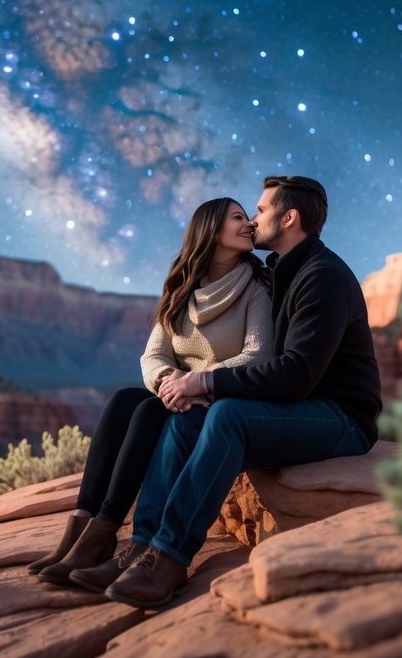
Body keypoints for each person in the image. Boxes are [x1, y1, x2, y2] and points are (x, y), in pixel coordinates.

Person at [96, 175, 382, 608]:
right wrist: (191, 390)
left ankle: (169, 560)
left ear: (289, 218)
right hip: (300, 409)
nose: (253, 219)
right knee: (188, 417)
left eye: (262, 210)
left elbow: (295, 373)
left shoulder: (323, 276)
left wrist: (203, 380)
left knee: (227, 415)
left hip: (340, 419)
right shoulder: (280, 271)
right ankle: (141, 547)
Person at [28, 197, 273, 587]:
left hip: (219, 395)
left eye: (248, 218)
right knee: (125, 400)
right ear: (209, 229)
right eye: (238, 218)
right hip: (182, 392)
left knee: (146, 414)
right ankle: (81, 527)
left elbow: (257, 354)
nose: (250, 225)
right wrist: (167, 382)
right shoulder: (182, 286)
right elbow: (153, 355)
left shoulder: (256, 288)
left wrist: (197, 381)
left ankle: (106, 533)